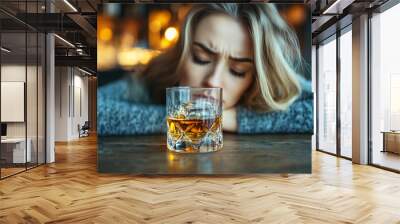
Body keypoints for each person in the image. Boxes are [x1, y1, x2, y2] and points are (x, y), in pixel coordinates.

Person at [98, 3, 313, 136]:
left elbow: (325, 111)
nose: (213, 81)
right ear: (181, 56)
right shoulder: (154, 75)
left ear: (255, 79)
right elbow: (95, 110)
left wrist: (232, 118)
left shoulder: (270, 87)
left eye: (238, 71)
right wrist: (183, 120)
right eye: (201, 59)